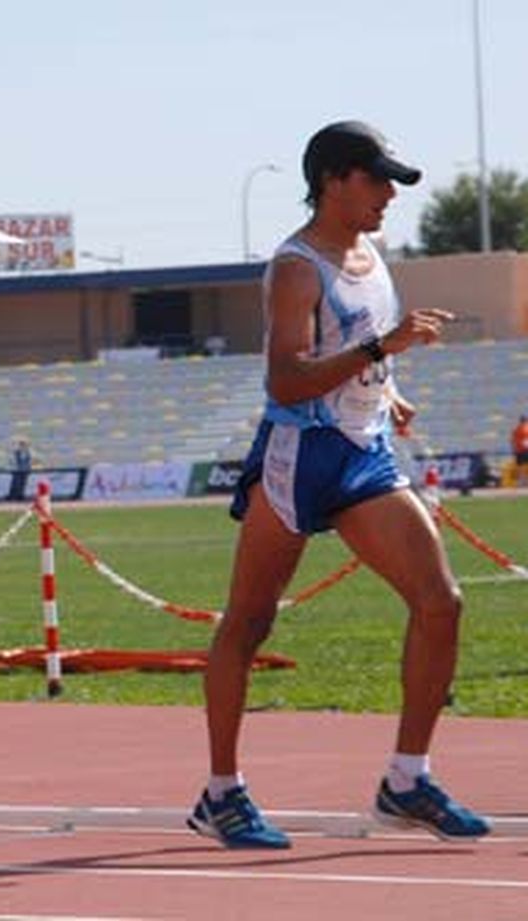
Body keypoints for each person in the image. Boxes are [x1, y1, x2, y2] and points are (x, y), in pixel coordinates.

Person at [190, 121, 491, 850]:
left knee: (440, 600)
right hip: (300, 454)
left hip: (364, 451)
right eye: (377, 179)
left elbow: (354, 353)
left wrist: (384, 386)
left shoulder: (370, 255)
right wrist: (379, 348)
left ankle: (407, 778)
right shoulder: (297, 268)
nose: (389, 194)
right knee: (250, 619)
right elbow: (285, 378)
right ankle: (220, 792)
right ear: (333, 180)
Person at [509, 414, 528, 488]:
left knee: (520, 466)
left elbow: (512, 441)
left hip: (518, 450)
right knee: (522, 466)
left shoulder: (516, 429)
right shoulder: (525, 429)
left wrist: (513, 449)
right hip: (524, 450)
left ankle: (521, 481)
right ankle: (523, 480)